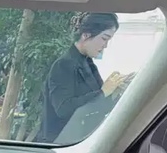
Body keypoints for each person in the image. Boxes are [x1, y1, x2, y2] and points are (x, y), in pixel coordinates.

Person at [39, 12, 130, 143]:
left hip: (81, 141)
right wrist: (103, 92)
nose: (105, 46)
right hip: (61, 143)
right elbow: (63, 109)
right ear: (86, 35)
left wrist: (114, 92)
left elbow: (97, 105)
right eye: (104, 38)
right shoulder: (63, 65)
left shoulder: (89, 64)